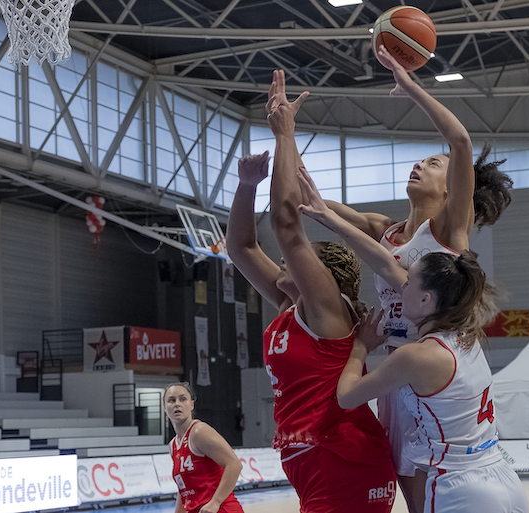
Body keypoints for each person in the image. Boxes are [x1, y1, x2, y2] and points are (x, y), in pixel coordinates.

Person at [322, 44, 513, 513]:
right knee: (408, 485)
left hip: (437, 364)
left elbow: (461, 143)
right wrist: (287, 156)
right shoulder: (382, 228)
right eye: (420, 160)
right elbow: (316, 204)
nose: (419, 164)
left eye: (432, 162)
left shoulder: (450, 226)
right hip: (397, 365)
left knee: (434, 477)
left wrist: (410, 87)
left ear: (453, 187)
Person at [296, 170, 529, 513]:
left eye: (409, 283)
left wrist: (361, 346)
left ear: (426, 300)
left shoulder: (417, 357)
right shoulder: (468, 335)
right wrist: (328, 216)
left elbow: (346, 397)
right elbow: (383, 262)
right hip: (501, 476)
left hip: (457, 484)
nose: (400, 284)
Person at [225, 70, 396, 513]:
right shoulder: (291, 306)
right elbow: (241, 248)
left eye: (294, 262)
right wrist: (246, 188)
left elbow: (287, 226)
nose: (283, 264)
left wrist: (285, 134)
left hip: (345, 458)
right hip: (312, 462)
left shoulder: (327, 312)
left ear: (320, 276)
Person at [163, 382, 244, 513]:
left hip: (221, 509)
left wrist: (215, 502)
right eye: (171, 400)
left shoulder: (199, 432)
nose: (177, 403)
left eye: (182, 399)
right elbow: (183, 488)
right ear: (165, 408)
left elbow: (234, 464)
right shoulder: (173, 445)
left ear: (191, 405)